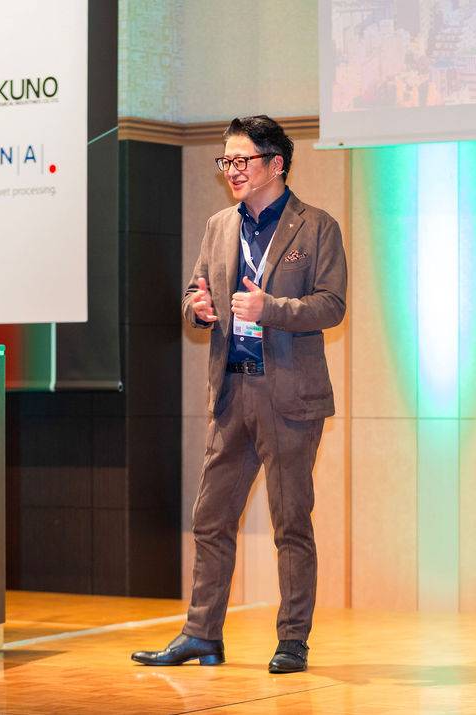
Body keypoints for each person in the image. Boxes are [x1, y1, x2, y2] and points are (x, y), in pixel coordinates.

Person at [131, 115, 347, 674]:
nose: (231, 170)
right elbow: (196, 289)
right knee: (210, 519)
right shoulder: (219, 226)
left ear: (276, 164)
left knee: (290, 523)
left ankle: (292, 641)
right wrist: (197, 309)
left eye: (241, 160)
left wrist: (269, 307)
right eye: (225, 160)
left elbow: (332, 305)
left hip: (289, 398)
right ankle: (202, 635)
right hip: (232, 390)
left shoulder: (315, 227)